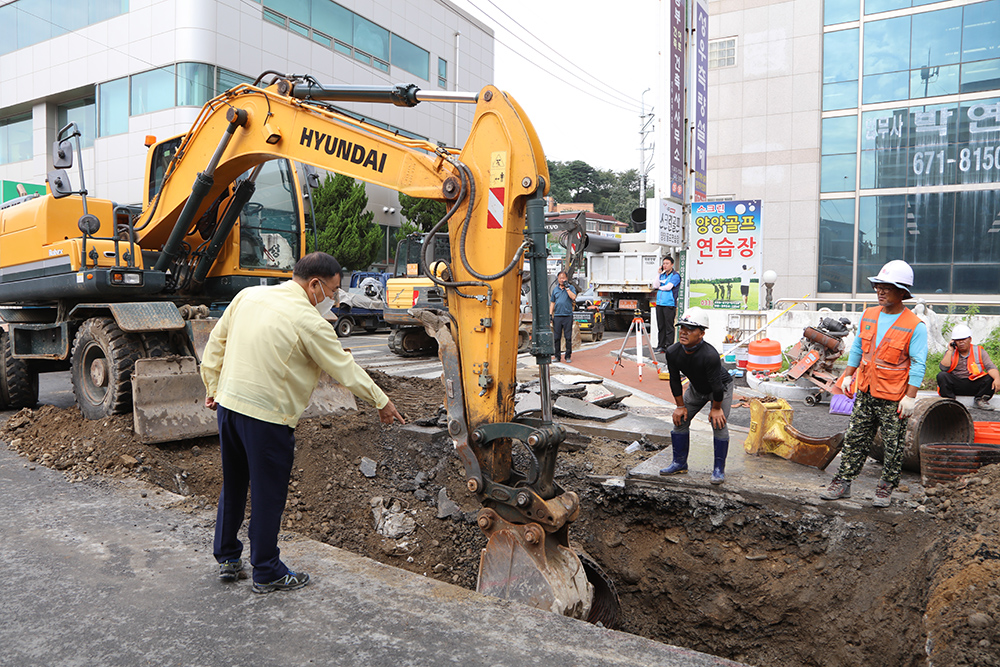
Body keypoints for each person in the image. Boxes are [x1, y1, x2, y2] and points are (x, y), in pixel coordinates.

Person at [201, 252, 405, 594]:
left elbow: (216, 345)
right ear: (314, 284)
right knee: (268, 495)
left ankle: (227, 557)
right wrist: (382, 402)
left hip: (229, 407)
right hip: (267, 418)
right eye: (333, 291)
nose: (334, 299)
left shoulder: (248, 296)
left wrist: (212, 385)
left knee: (234, 483)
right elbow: (344, 368)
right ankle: (266, 570)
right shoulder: (307, 320)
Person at [821, 259, 927, 508]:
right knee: (856, 438)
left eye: (886, 287)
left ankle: (886, 487)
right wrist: (848, 374)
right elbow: (859, 347)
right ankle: (843, 482)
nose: (880, 291)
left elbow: (919, 364)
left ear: (902, 292)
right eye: (878, 286)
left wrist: (910, 397)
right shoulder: (869, 315)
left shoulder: (915, 326)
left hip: (894, 396)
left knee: (893, 444)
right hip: (866, 390)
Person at [658, 307, 733, 485]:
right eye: (682, 327)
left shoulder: (710, 355)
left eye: (690, 329)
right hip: (697, 389)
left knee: (719, 424)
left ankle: (718, 470)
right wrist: (680, 406)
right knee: (680, 421)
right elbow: (675, 380)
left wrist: (716, 409)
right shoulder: (673, 352)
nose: (684, 332)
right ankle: (679, 463)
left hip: (720, 389)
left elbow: (716, 386)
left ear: (701, 333)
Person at [937, 323, 1000, 410]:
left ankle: (981, 400)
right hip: (957, 383)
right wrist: (950, 350)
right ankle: (949, 401)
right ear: (954, 341)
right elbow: (944, 368)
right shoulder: (950, 352)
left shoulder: (979, 351)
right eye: (958, 340)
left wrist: (997, 379)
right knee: (941, 375)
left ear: (970, 339)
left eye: (964, 339)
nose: (961, 342)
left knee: (991, 377)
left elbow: (990, 367)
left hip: (974, 383)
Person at [654, 255, 681, 353]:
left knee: (669, 326)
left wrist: (660, 287)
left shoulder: (675, 276)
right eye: (664, 264)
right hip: (660, 303)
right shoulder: (662, 275)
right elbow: (655, 285)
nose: (665, 266)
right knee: (661, 326)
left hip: (669, 304)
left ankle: (669, 346)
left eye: (667, 263)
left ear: (672, 264)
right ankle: (661, 345)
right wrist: (658, 274)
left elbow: (668, 287)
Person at [549, 270, 577, 363]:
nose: (562, 280)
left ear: (567, 279)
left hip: (567, 316)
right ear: (558, 279)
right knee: (557, 337)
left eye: (564, 278)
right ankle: (557, 356)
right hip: (557, 316)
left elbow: (573, 297)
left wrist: (567, 288)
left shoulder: (571, 288)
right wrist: (550, 314)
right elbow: (552, 303)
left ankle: (568, 356)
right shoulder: (555, 290)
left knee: (568, 337)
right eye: (560, 278)